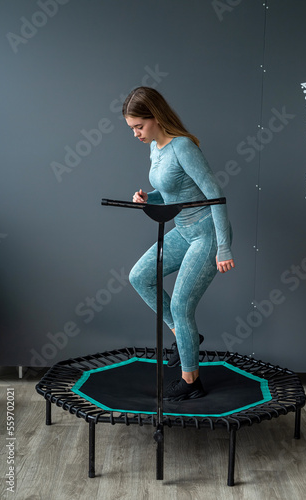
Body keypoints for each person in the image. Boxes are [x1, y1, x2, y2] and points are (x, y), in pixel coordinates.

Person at [122, 86, 235, 402]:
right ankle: (183, 335)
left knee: (181, 306)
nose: (136, 134)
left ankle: (191, 382)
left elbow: (215, 195)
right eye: (132, 128)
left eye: (138, 126)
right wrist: (149, 198)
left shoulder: (183, 147)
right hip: (183, 231)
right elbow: (173, 193)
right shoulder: (155, 148)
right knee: (139, 277)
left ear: (155, 117)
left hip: (207, 234)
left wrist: (223, 248)